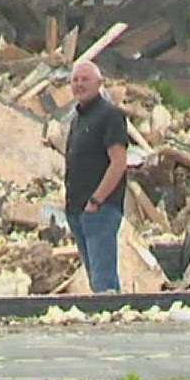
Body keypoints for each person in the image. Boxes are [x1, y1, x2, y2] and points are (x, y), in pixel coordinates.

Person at [64, 59, 128, 292]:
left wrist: (96, 200)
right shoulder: (77, 118)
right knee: (94, 280)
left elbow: (119, 162)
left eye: (85, 79)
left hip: (99, 211)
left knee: (104, 283)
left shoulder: (109, 115)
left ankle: (111, 322)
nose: (79, 84)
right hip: (77, 210)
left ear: (99, 83)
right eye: (75, 80)